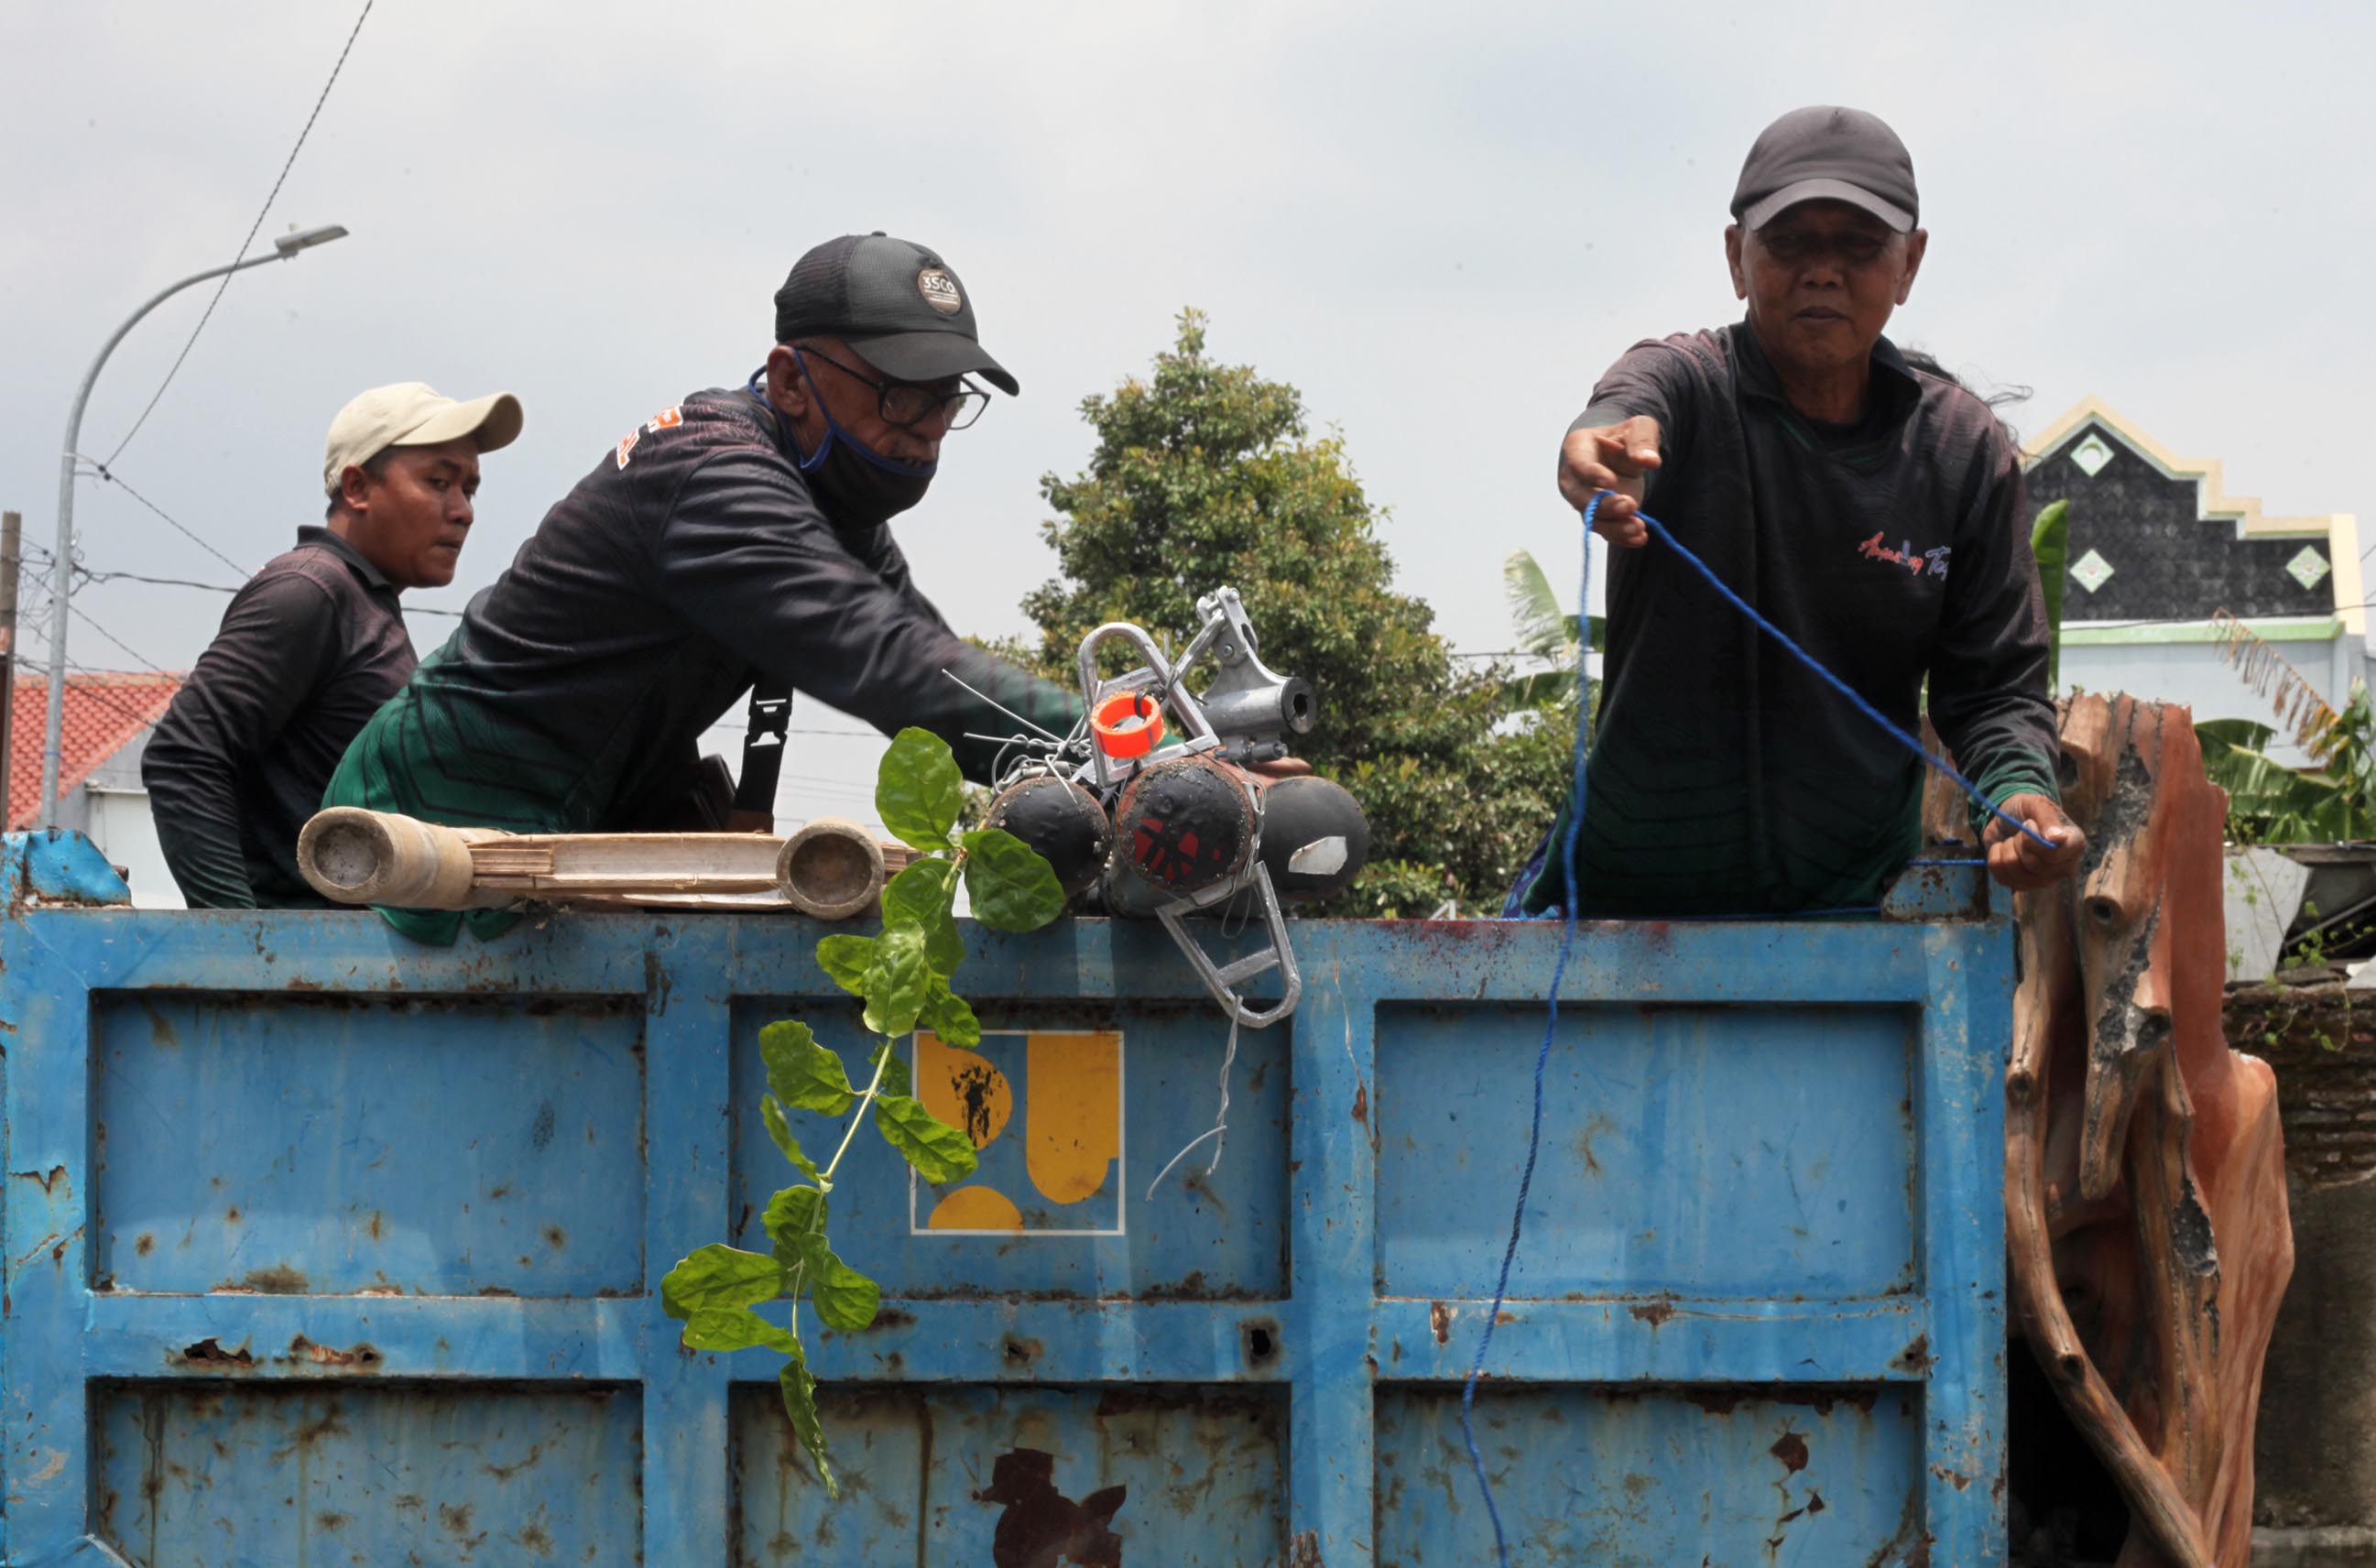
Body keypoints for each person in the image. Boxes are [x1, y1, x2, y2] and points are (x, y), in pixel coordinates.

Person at [324, 233, 1084, 942]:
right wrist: (1123, 744)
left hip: (569, 815)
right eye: (901, 396)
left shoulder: (825, 502)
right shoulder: (715, 474)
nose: (927, 429)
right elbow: (886, 661)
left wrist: (1109, 753)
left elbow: (926, 653)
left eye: (947, 399)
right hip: (435, 813)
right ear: (791, 381)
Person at [1516, 105, 2086, 919]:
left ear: (1910, 264)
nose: (1823, 271)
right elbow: (1627, 404)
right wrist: (1597, 450)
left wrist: (2023, 789)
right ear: (1736, 258)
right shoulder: (1689, 384)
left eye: (1858, 244)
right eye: (1790, 242)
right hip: (1621, 913)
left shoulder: (1960, 450)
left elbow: (1993, 688)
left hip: (1857, 926)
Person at [144, 382, 522, 908]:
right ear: (357, 488)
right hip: (298, 963)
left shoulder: (366, 604)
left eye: (470, 489)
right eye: (439, 482)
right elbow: (183, 755)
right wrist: (235, 942)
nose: (463, 511)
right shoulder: (309, 590)